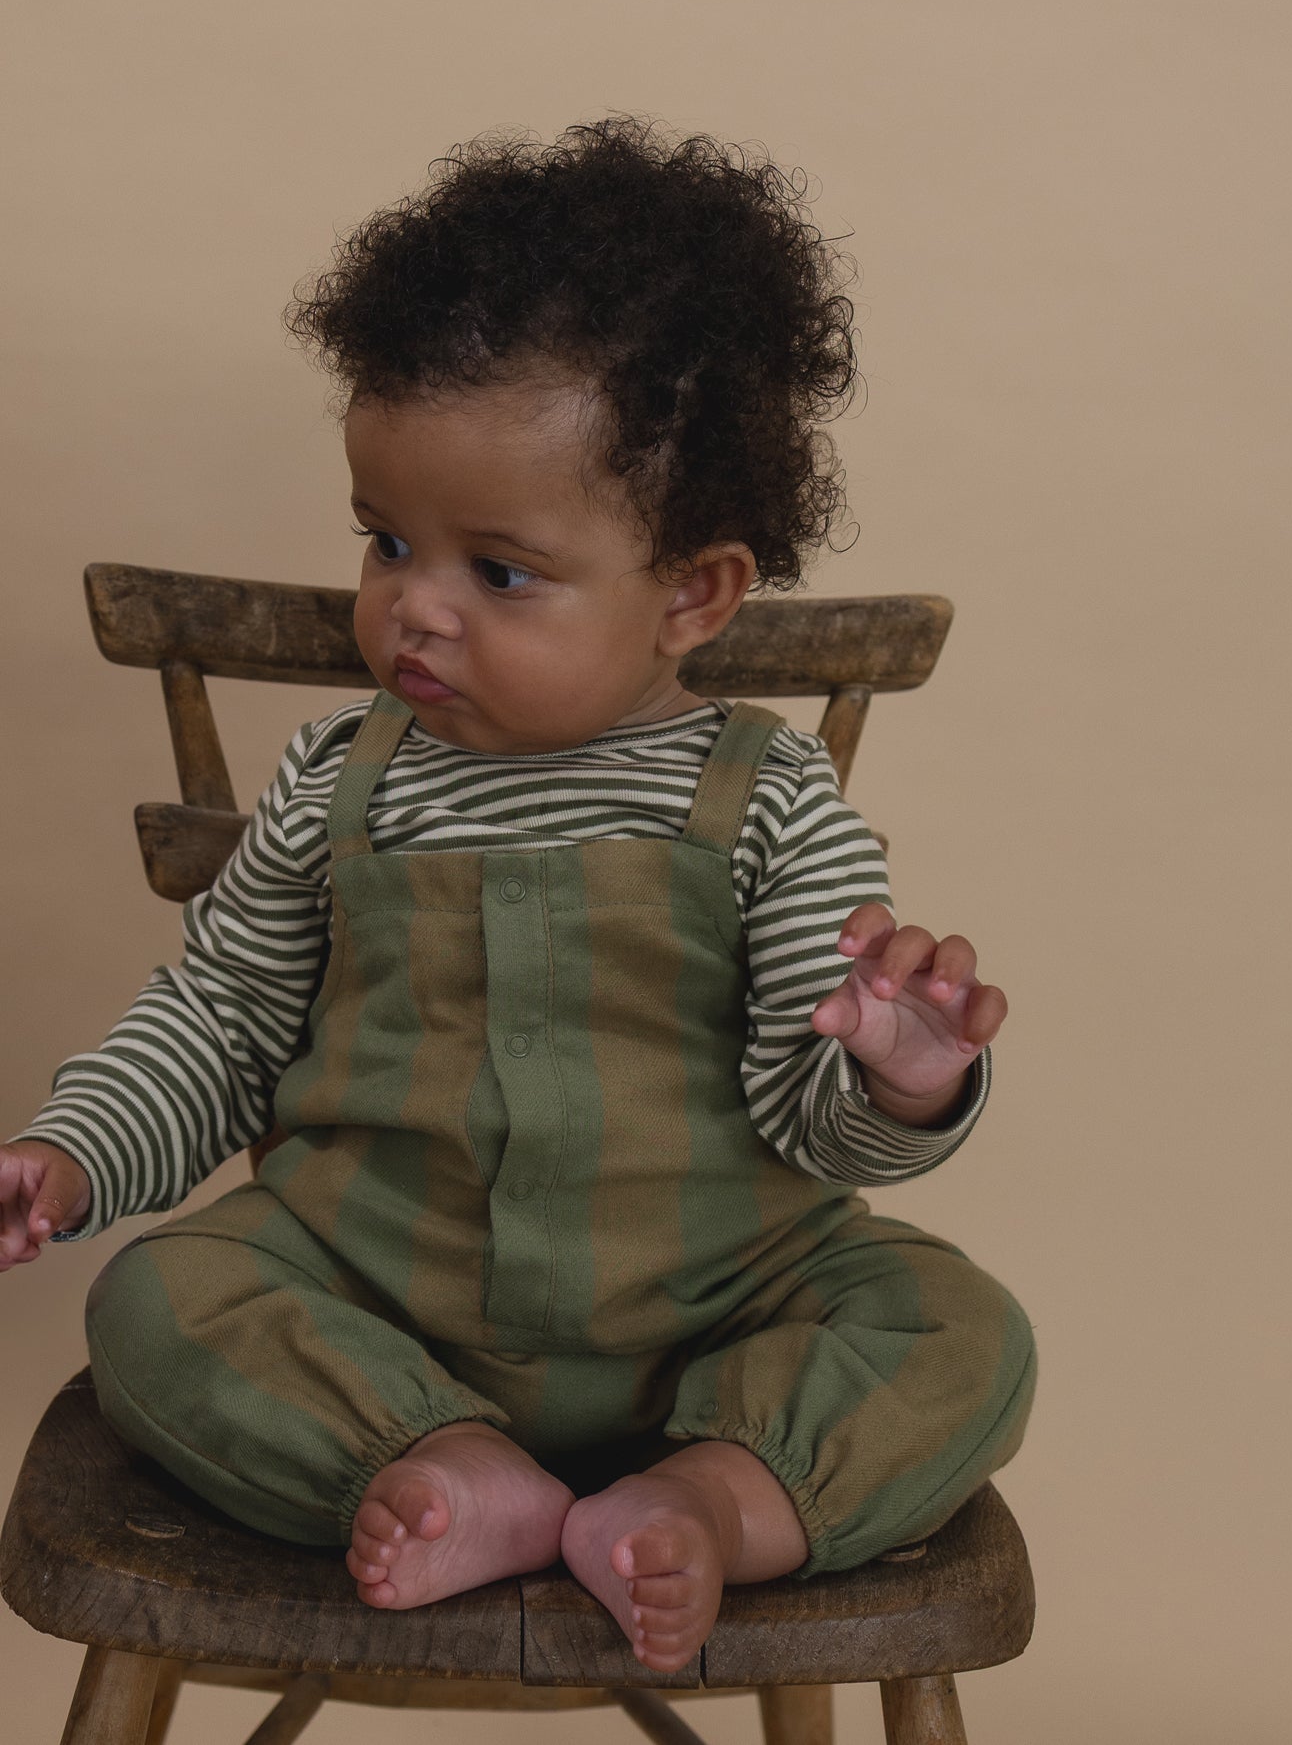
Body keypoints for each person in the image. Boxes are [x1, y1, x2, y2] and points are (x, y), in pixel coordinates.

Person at [0, 119, 1035, 1673]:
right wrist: (76, 1151)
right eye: (387, 538)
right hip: (380, 1294)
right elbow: (221, 1021)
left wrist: (901, 1067)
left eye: (498, 570)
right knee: (158, 1301)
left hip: (716, 1309)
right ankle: (437, 1462)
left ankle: (714, 1490)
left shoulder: (767, 801)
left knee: (962, 1333)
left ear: (691, 592)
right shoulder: (339, 775)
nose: (411, 602)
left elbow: (813, 1116)